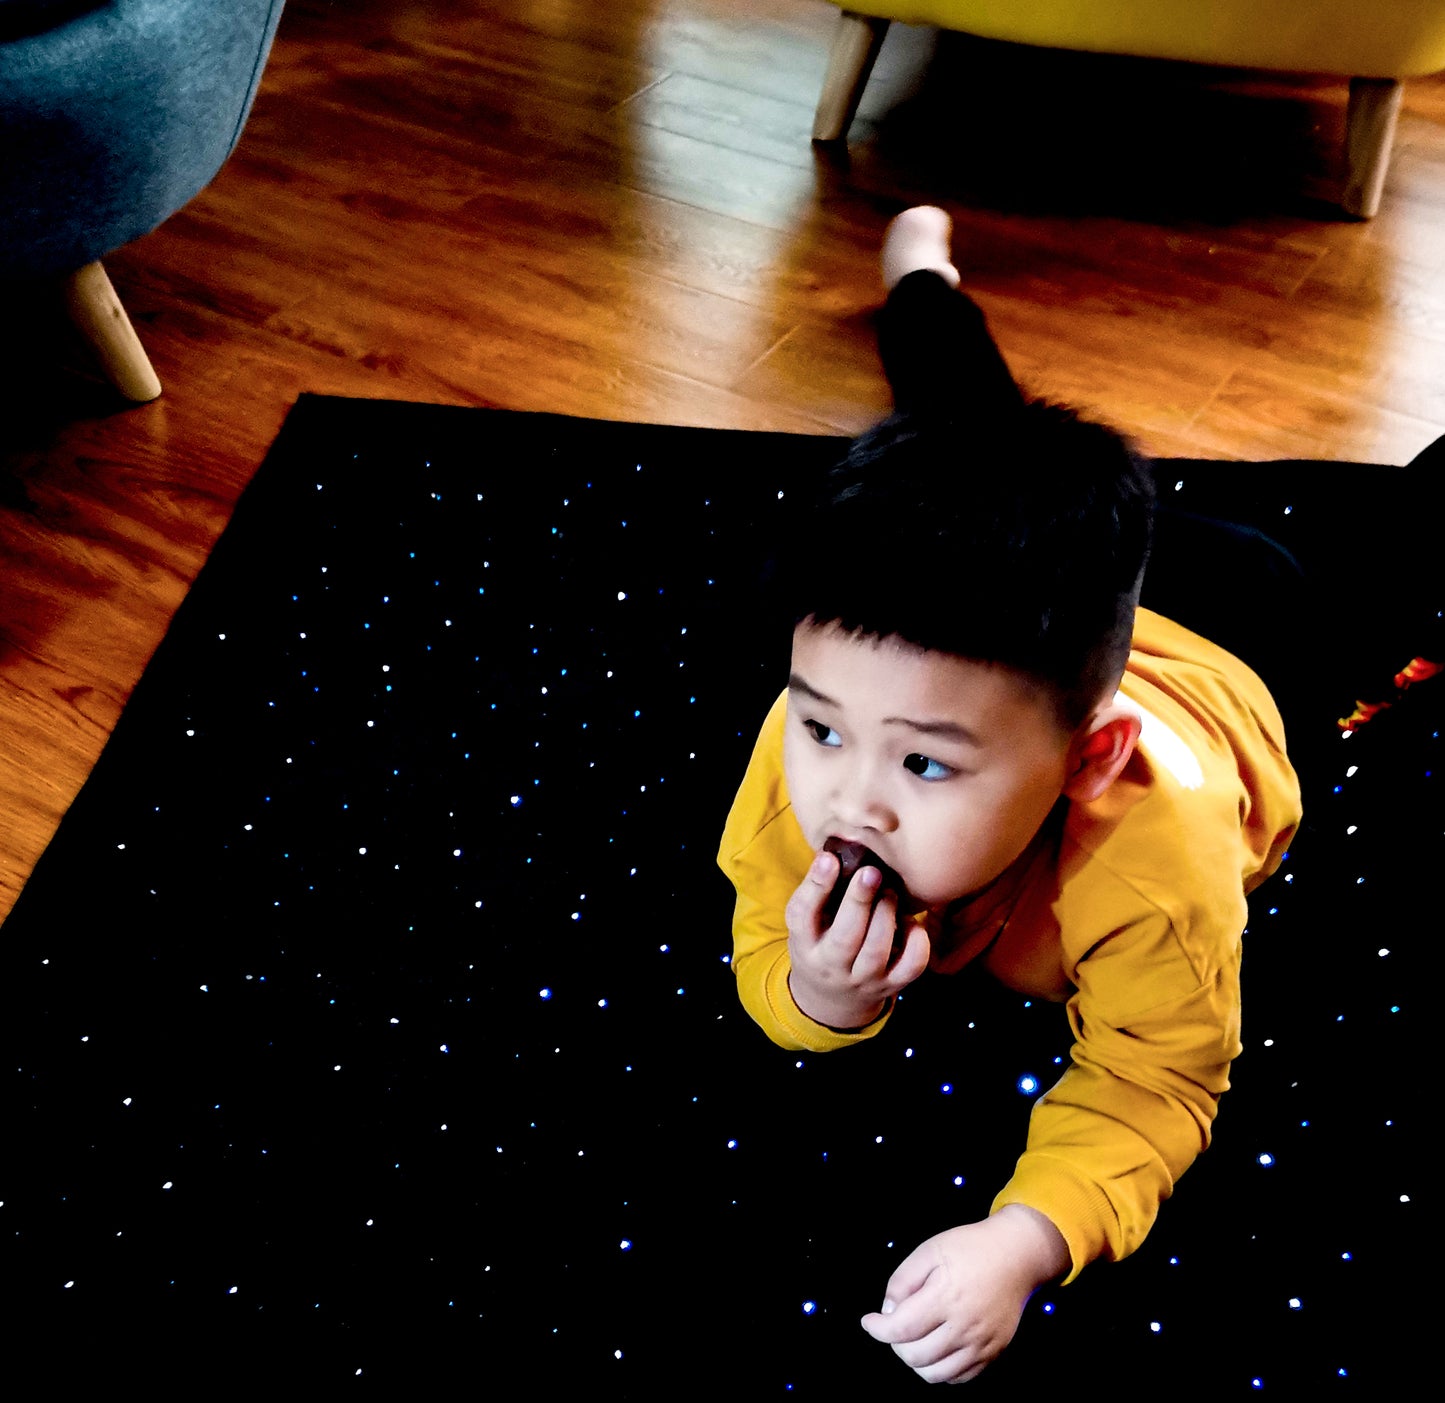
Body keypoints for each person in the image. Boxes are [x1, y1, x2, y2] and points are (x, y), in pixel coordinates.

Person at [716, 208, 1304, 1384]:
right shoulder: (807, 763)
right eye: (823, 725)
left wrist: (1027, 1236)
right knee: (966, 428)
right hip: (1039, 647)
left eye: (924, 764)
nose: (853, 803)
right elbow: (760, 933)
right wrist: (820, 992)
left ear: (1085, 761)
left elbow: (1159, 1076)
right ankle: (920, 284)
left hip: (1240, 622)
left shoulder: (1156, 865)